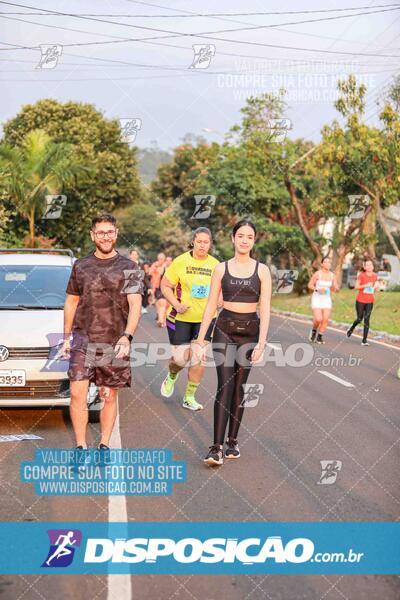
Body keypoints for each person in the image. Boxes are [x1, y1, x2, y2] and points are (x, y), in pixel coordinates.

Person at [62, 214, 143, 450]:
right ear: (92, 235)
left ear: (116, 234)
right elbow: (71, 301)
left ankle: (105, 444)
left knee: (108, 395)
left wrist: (127, 336)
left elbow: (136, 304)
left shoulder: (130, 267)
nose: (105, 237)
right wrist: (66, 337)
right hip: (82, 338)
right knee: (77, 392)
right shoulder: (81, 265)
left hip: (114, 340)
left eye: (109, 232)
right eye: (100, 233)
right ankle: (80, 446)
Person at [195, 220, 271, 466]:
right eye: (240, 235)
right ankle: (215, 447)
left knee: (239, 388)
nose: (245, 240)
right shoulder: (221, 269)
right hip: (224, 330)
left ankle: (232, 441)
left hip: (250, 332)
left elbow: (266, 309)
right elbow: (210, 305)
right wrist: (200, 339)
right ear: (233, 239)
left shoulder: (262, 271)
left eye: (249, 236)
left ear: (254, 240)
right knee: (224, 386)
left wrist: (261, 343)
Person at [160, 228, 220, 411]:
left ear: (210, 244)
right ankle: (172, 375)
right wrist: (176, 305)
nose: (202, 245)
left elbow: (221, 291)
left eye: (206, 242)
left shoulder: (216, 265)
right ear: (193, 242)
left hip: (206, 320)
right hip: (180, 317)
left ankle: (189, 397)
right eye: (199, 241)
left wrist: (220, 300)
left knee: (198, 358)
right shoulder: (180, 262)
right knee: (180, 359)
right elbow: (165, 285)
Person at [347, 258, 379, 346]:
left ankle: (364, 340)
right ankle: (351, 328)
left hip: (370, 301)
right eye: (367, 265)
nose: (370, 266)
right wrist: (365, 285)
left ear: (373, 267)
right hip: (360, 300)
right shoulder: (361, 275)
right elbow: (356, 286)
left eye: (371, 265)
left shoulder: (375, 276)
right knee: (359, 318)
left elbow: (376, 288)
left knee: (367, 319)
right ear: (364, 267)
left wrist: (376, 287)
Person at [307, 256, 339, 344]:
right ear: (322, 264)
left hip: (326, 299)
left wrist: (335, 288)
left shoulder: (333, 275)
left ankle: (319, 337)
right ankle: (314, 331)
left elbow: (335, 288)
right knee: (318, 319)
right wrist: (317, 289)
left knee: (325, 319)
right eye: (325, 262)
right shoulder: (318, 274)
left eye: (329, 262)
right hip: (317, 298)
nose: (327, 264)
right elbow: (310, 285)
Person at [149, 252, 168, 326]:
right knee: (159, 303)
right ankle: (160, 318)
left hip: (166, 287)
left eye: (162, 259)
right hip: (157, 287)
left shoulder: (167, 266)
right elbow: (149, 273)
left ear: (164, 259)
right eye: (159, 258)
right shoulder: (155, 265)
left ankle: (161, 320)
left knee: (163, 303)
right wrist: (155, 268)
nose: (160, 260)